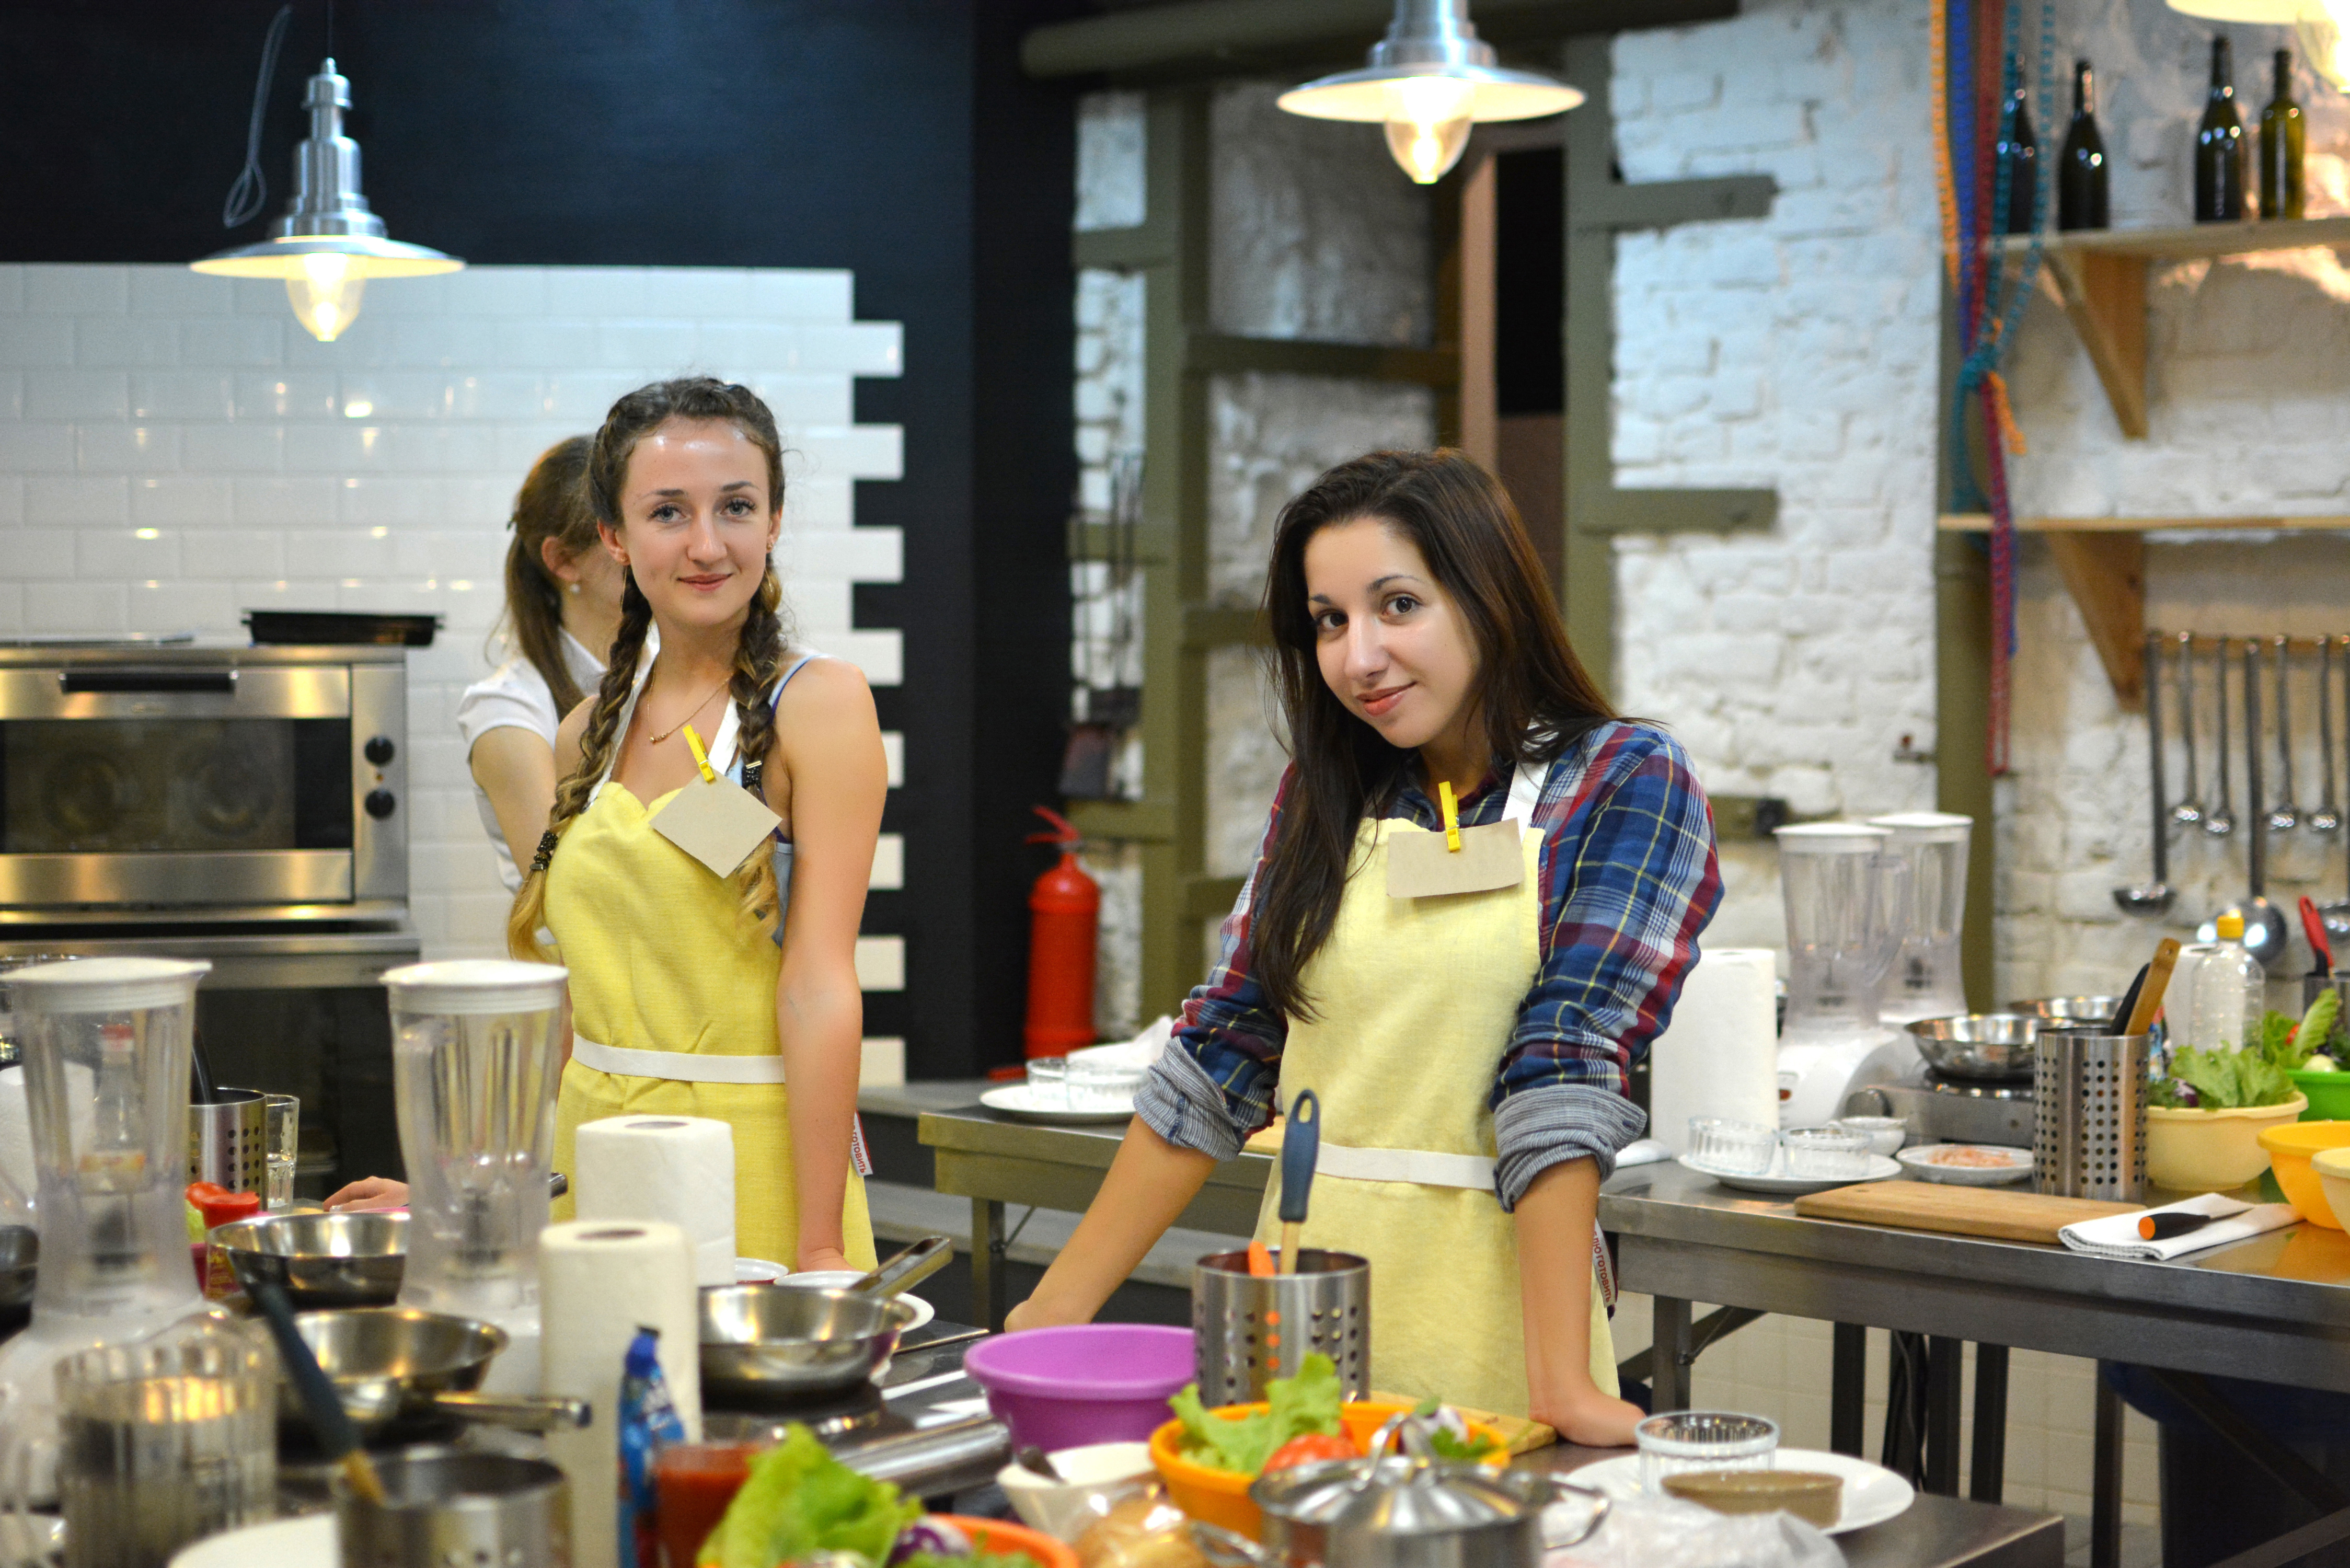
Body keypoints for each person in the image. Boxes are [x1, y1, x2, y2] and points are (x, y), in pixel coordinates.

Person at [1007, 449, 1720, 1446]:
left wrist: (1560, 1386)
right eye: (1330, 621)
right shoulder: (1327, 791)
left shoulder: (1624, 780)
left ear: (1490, 595)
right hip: (1298, 1329)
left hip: (1497, 1347)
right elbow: (1223, 1052)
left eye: (1398, 606)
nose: (1359, 658)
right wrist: (1050, 1314)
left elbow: (1562, 1064)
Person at [499, 375, 887, 1273]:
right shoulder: (583, 737)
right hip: (590, 1166)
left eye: (737, 507)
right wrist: (503, 1184)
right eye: (668, 512)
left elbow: (819, 986)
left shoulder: (818, 706)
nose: (707, 545)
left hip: (747, 1166)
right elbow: (571, 1001)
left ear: (775, 521)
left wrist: (820, 1243)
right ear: (615, 537)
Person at [455, 435, 636, 891]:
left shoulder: (671, 677)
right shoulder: (507, 711)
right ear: (563, 561)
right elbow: (562, 883)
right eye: (622, 534)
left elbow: (741, 857)